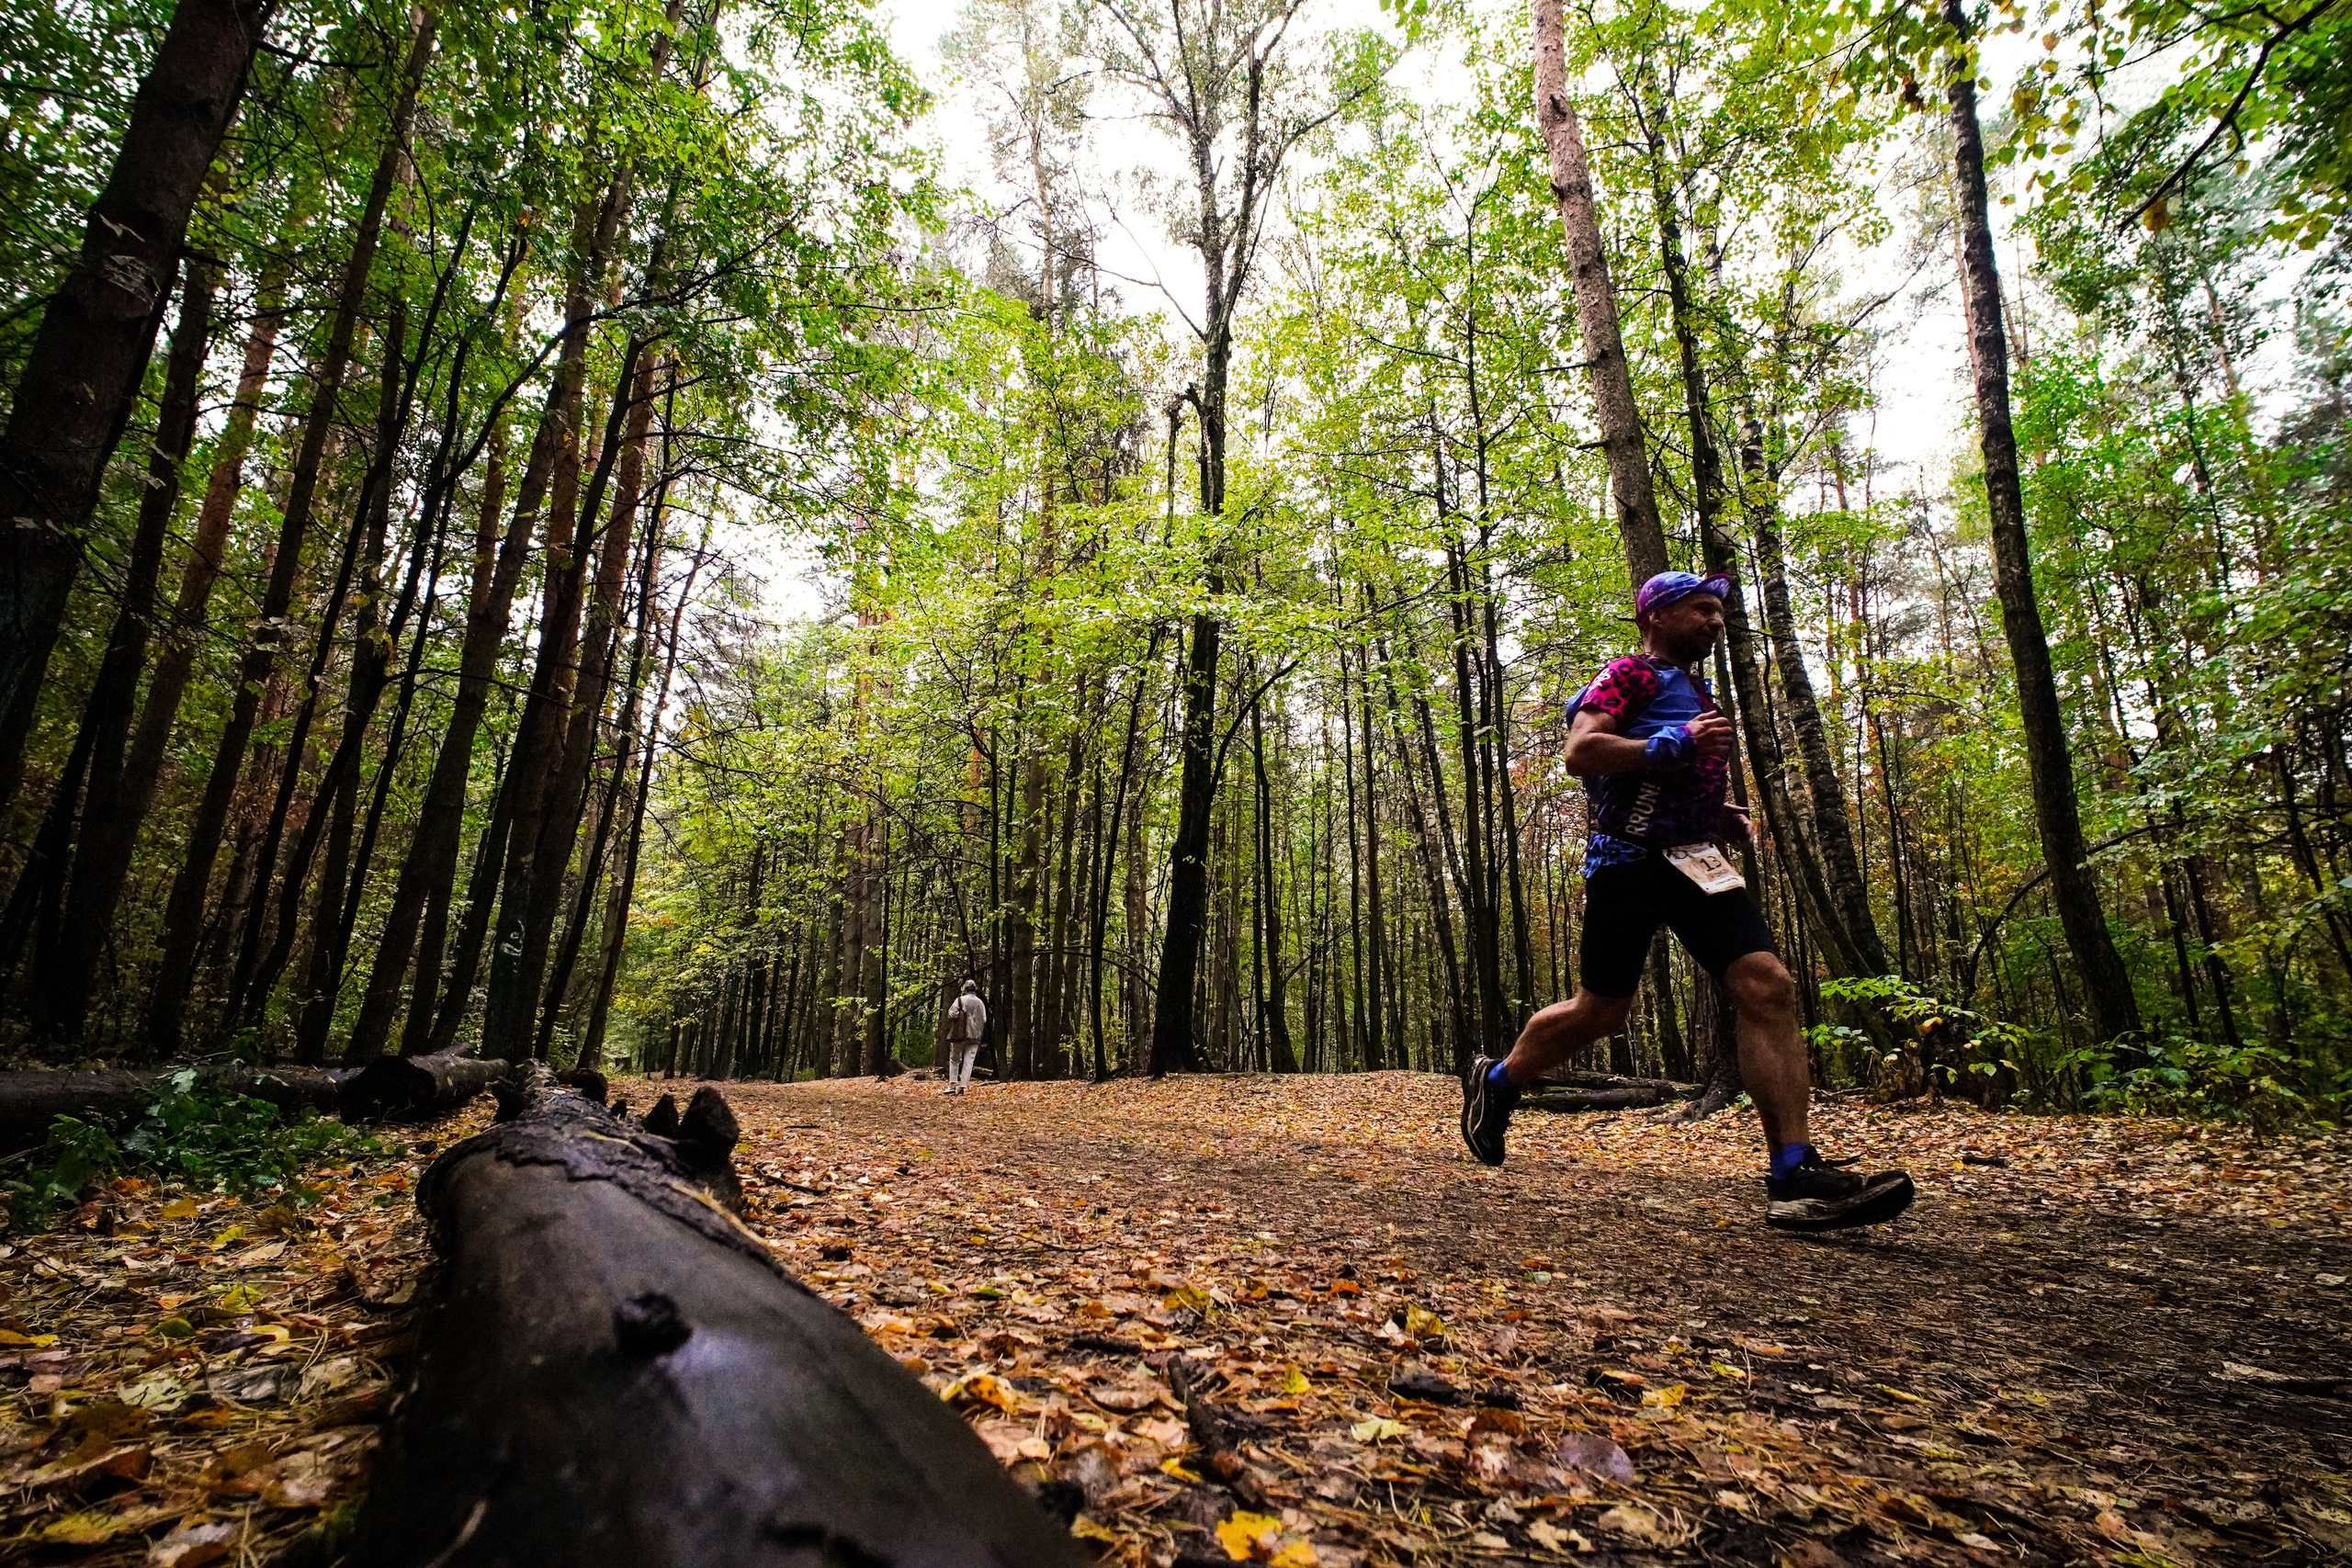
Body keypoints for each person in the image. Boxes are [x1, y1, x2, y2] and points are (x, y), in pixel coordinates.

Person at [1458, 570, 1916, 1233]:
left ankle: (1794, 1171)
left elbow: (1668, 771)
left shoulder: (1695, 685)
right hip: (1626, 864)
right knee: (1600, 1012)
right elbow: (1581, 751)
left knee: (1769, 985)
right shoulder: (1628, 675)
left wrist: (1713, 809)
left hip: (1695, 861)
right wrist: (1673, 745)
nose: (1714, 620)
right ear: (1658, 614)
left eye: (1718, 611)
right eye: (1701, 609)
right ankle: (1498, 1081)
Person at [943, 980, 987, 1095]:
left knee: (955, 1059)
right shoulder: (980, 1003)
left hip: (960, 1034)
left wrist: (961, 1016)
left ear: (964, 989)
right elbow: (984, 1018)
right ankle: (963, 1086)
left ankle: (952, 1084)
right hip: (976, 1035)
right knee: (969, 1061)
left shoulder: (960, 1000)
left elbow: (951, 1014)